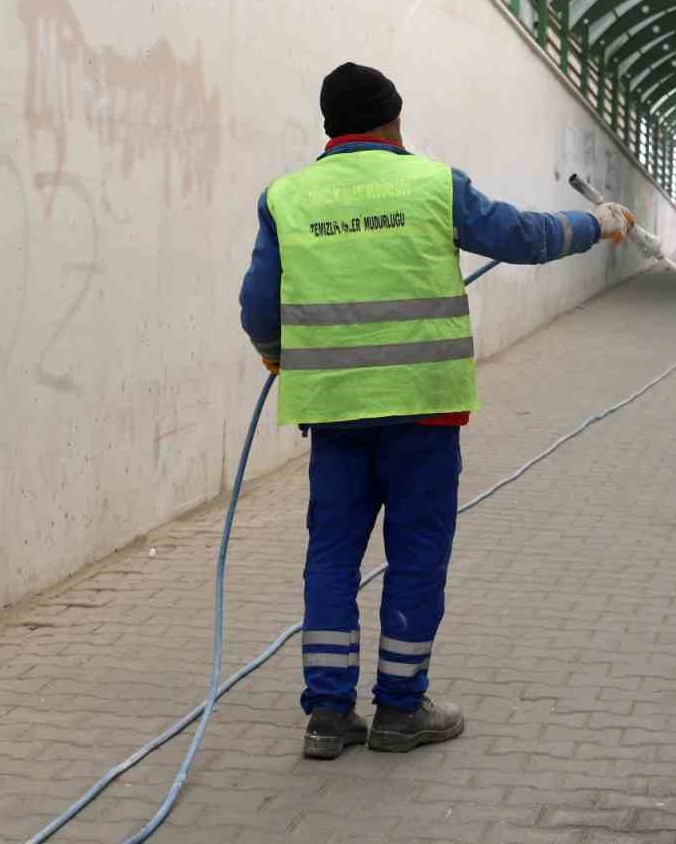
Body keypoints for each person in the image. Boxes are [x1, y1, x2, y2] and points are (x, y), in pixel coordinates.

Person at [239, 62, 636, 759]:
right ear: (393, 120)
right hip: (423, 413)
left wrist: (277, 354)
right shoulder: (432, 184)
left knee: (331, 555)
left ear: (330, 126)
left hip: (333, 413)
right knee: (416, 556)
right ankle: (399, 710)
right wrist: (596, 224)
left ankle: (328, 716)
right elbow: (523, 237)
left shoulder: (286, 197)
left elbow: (256, 303)